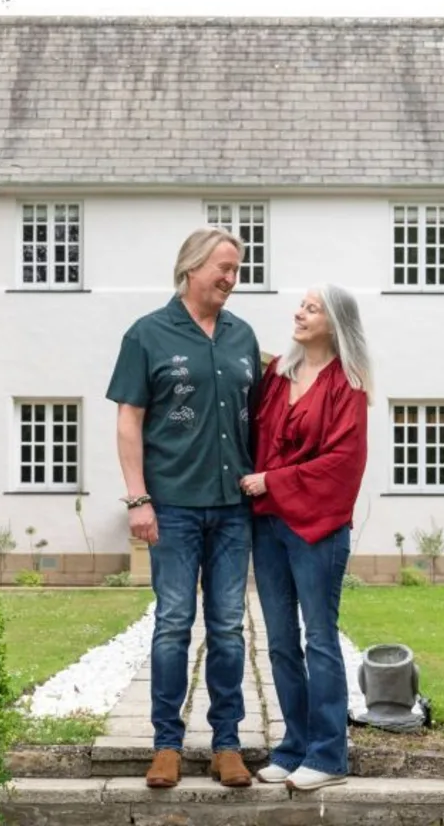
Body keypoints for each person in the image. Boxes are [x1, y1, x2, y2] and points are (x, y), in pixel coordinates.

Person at [106, 228, 263, 790]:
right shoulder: (147, 334)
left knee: (227, 628)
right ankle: (166, 746)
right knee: (173, 625)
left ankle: (227, 745)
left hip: (232, 511)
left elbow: (261, 418)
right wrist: (138, 497)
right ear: (191, 268)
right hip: (170, 507)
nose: (231, 278)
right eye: (222, 267)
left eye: (236, 270)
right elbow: (129, 420)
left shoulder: (244, 337)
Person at [239, 285, 370, 792]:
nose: (299, 312)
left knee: (319, 638)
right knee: (279, 643)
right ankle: (293, 747)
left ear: (334, 322)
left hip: (317, 527)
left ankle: (329, 754)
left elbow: (343, 462)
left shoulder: (348, 384)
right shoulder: (278, 374)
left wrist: (275, 480)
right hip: (269, 524)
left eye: (312, 308)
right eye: (300, 305)